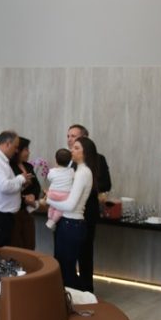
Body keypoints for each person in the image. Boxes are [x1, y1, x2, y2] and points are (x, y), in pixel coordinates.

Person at [41, 137, 99, 290]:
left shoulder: (82, 172)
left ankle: (77, 300)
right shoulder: (77, 171)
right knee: (65, 268)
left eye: (77, 148)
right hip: (71, 223)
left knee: (66, 271)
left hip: (72, 224)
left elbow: (70, 205)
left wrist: (49, 201)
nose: (72, 150)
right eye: (73, 147)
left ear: (86, 152)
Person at [67, 124, 112, 292]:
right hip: (69, 213)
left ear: (85, 139)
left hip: (87, 212)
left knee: (85, 253)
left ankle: (87, 290)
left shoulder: (98, 159)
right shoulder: (67, 159)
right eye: (68, 136)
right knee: (68, 254)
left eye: (74, 136)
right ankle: (72, 288)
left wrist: (85, 186)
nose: (70, 140)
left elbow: (106, 184)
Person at [9, 137, 40, 250]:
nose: (28, 152)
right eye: (26, 149)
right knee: (17, 245)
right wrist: (24, 198)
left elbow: (37, 186)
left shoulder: (28, 166)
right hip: (14, 212)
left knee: (29, 244)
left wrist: (33, 195)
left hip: (27, 212)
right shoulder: (9, 167)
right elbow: (9, 188)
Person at [45, 148, 74, 230]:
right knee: (60, 210)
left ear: (56, 160)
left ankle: (50, 217)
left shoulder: (52, 171)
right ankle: (53, 221)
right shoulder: (72, 171)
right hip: (65, 195)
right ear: (70, 161)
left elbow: (49, 178)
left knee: (52, 207)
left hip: (52, 194)